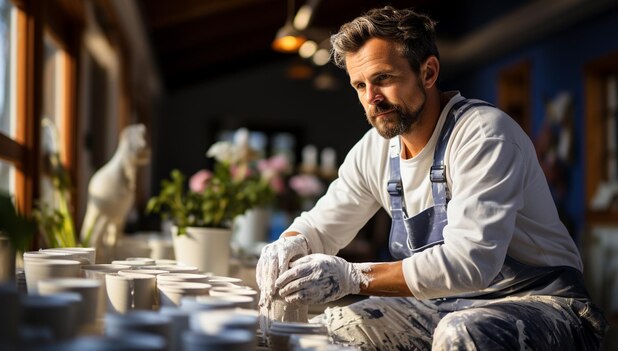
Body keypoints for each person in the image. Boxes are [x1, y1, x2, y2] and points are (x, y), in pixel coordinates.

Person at [256, 6, 607, 350]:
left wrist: (352, 277)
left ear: (428, 72)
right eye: (359, 85)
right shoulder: (375, 150)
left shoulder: (483, 135)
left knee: (462, 334)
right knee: (329, 331)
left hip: (546, 306)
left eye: (383, 79)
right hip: (446, 303)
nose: (371, 99)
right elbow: (322, 226)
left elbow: (470, 263)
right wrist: (293, 243)